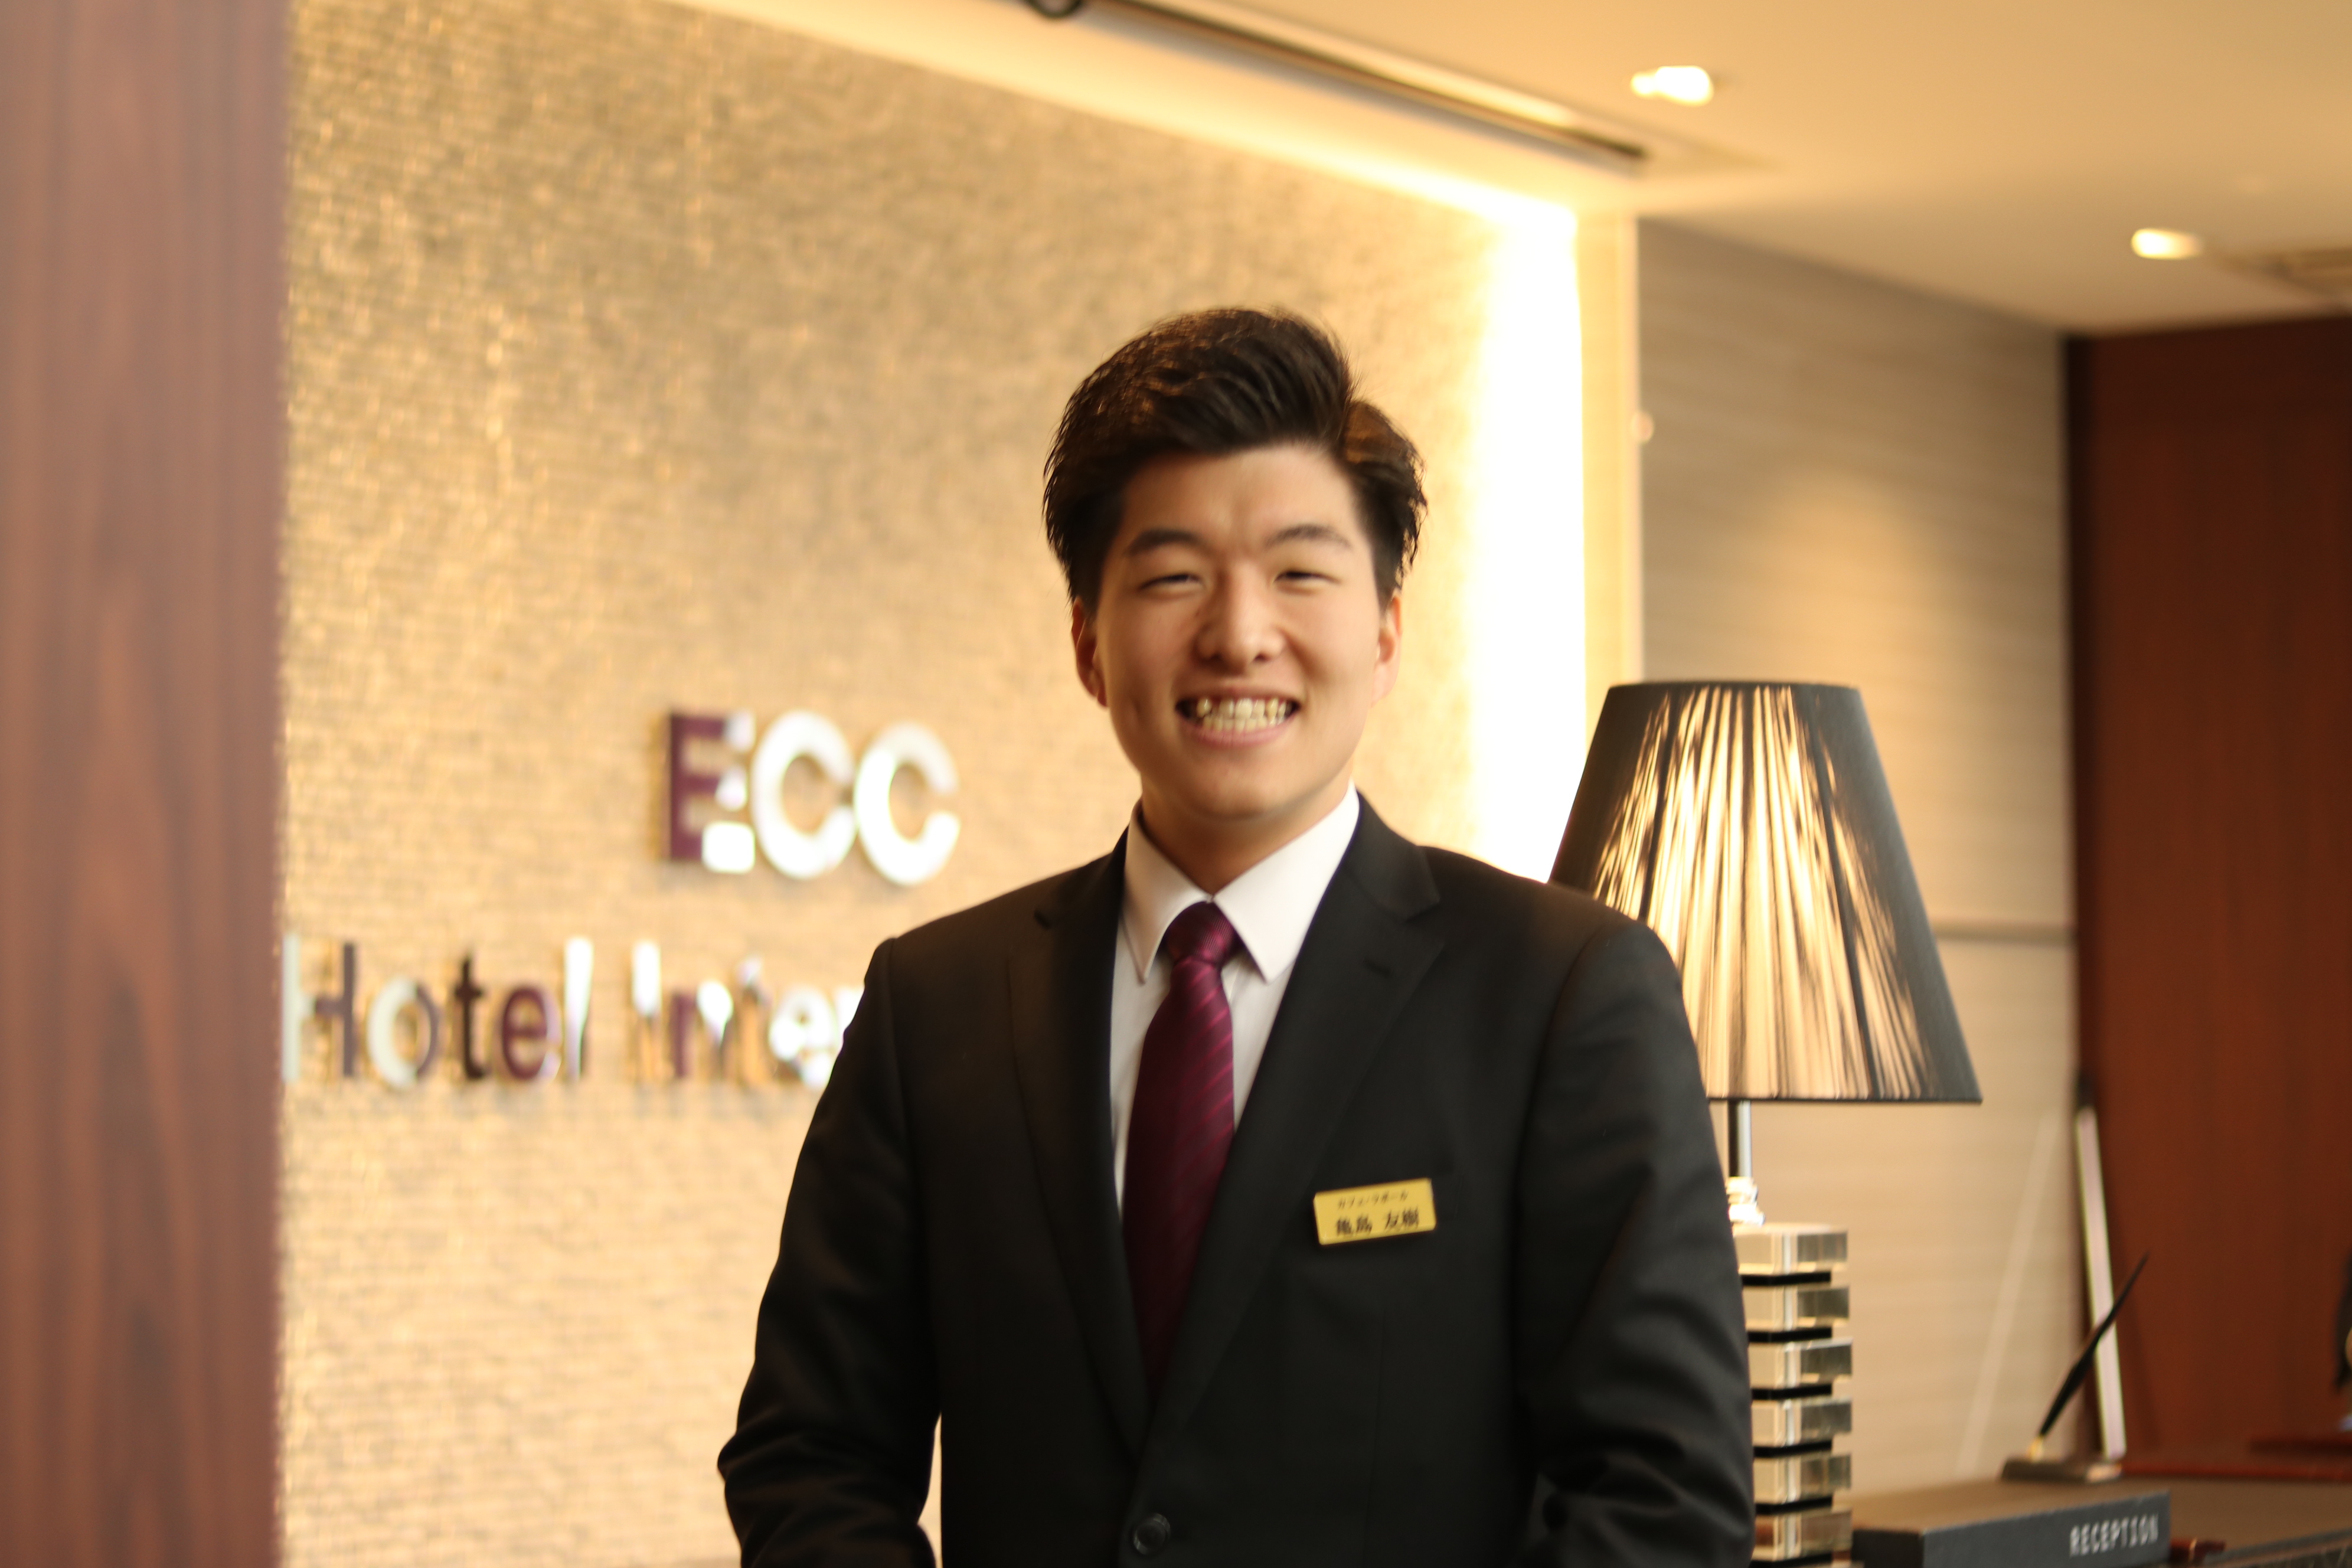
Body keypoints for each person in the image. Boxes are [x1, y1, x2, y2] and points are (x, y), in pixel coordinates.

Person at [718, 309, 1752, 1566]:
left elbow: (1662, 1496)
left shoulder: (1559, 995)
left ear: (1386, 629)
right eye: (1174, 576)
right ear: (1088, 642)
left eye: (1300, 572)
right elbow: (811, 1453)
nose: (1239, 633)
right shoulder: (936, 1004)